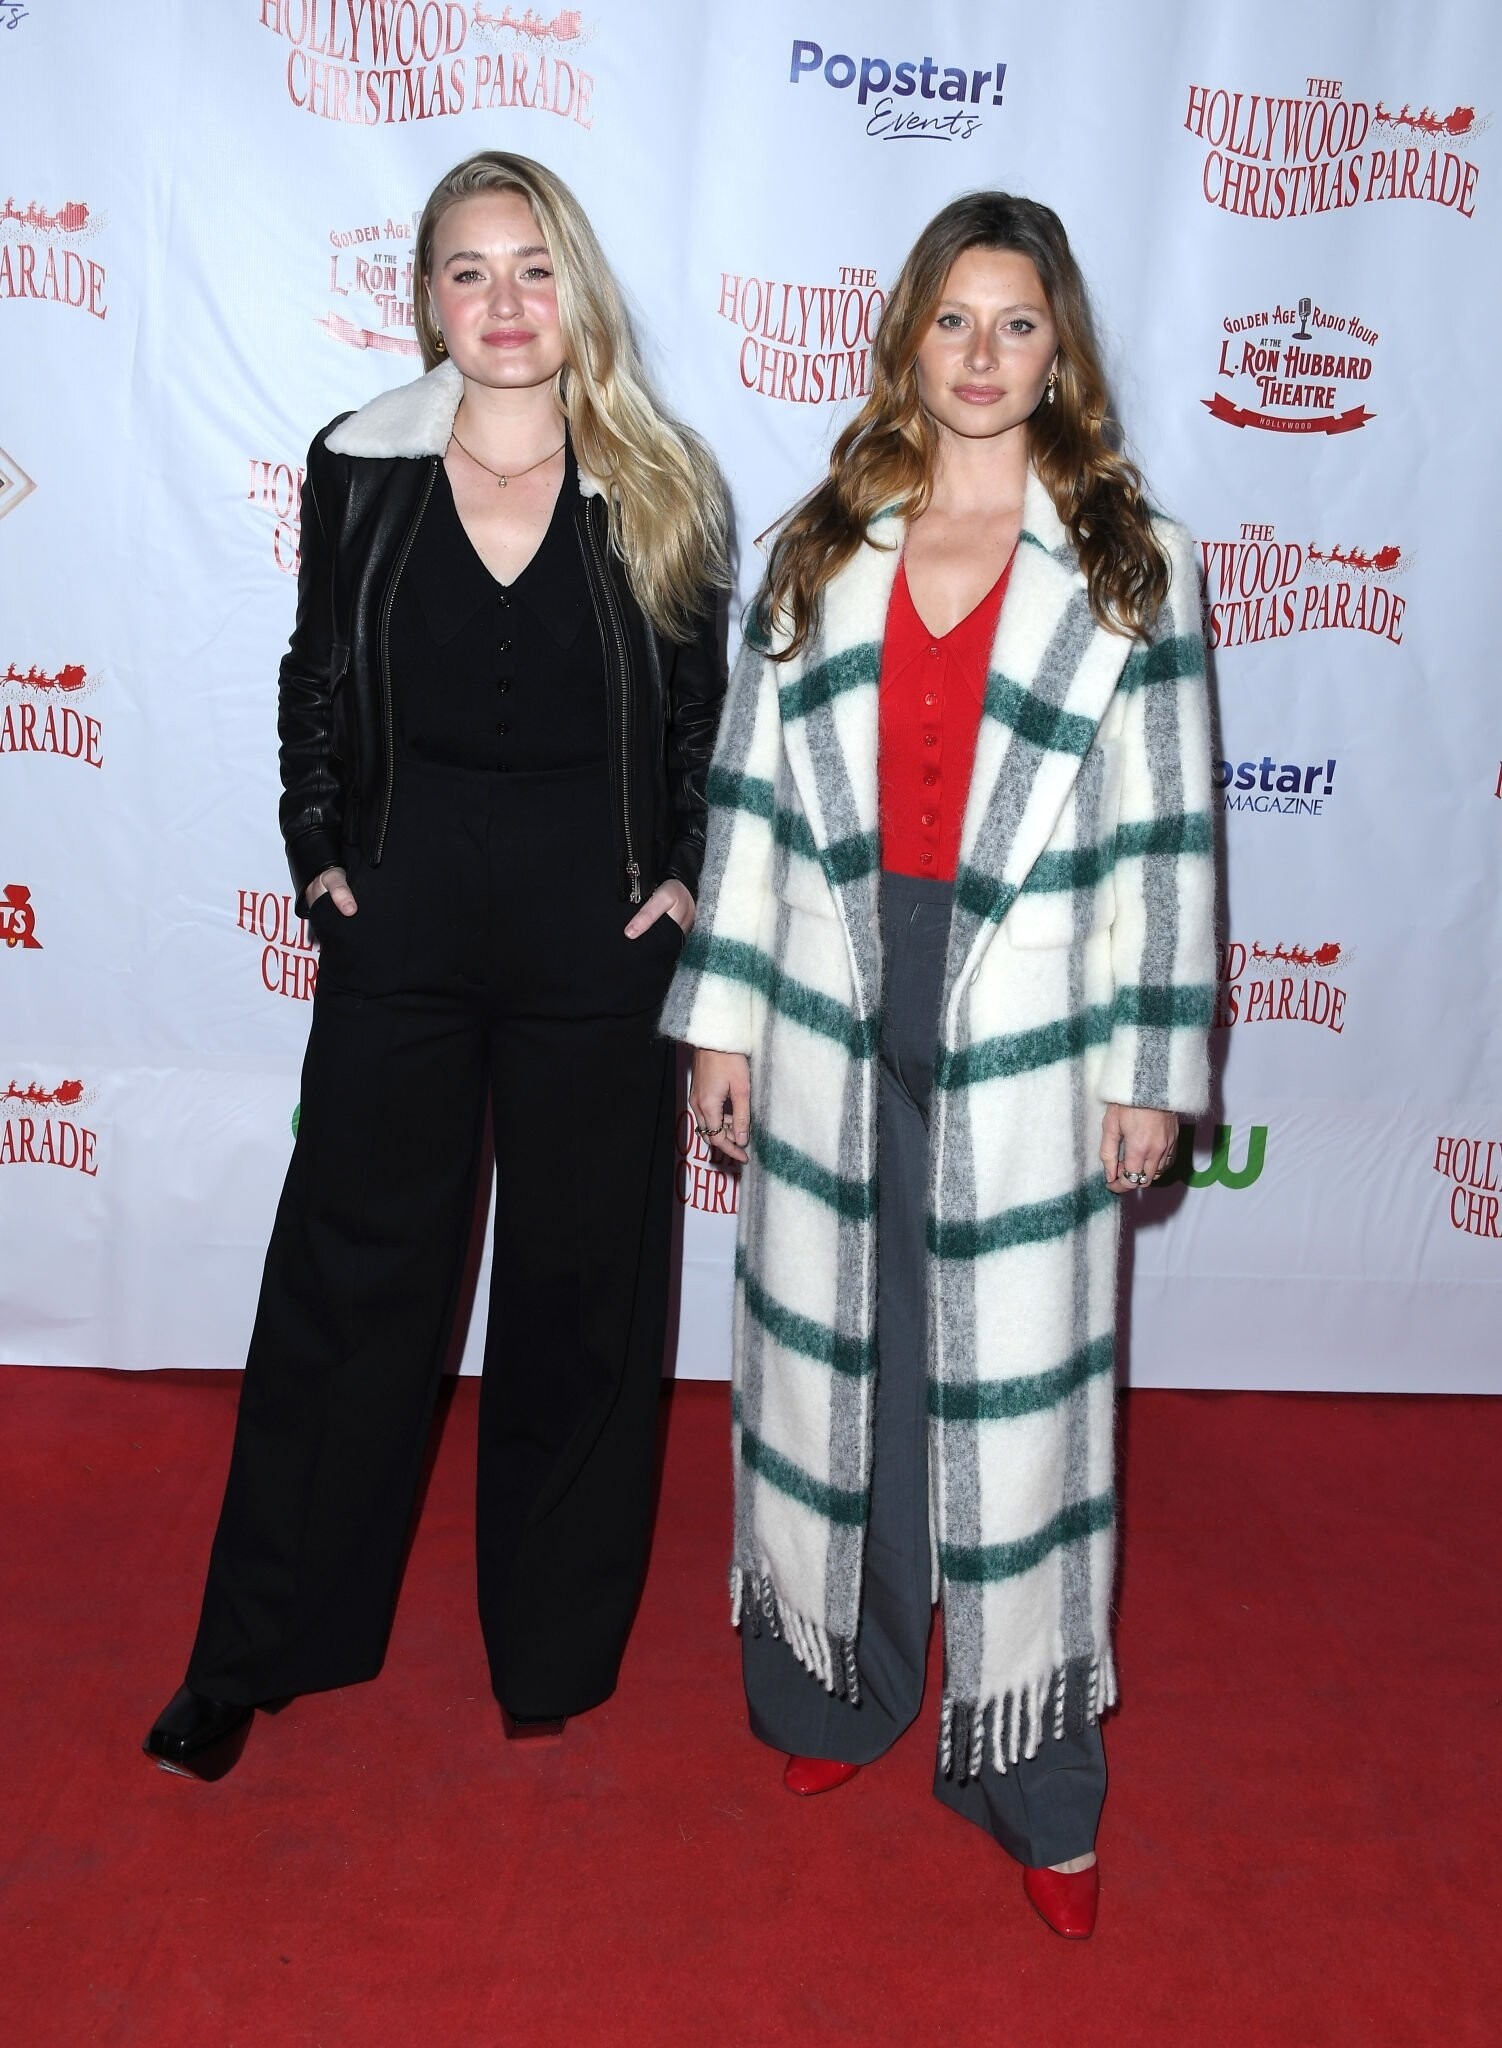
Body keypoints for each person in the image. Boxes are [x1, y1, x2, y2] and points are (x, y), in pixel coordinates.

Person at [662, 192, 1213, 1939]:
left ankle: (1034, 1777)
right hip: (829, 996)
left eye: (1017, 323)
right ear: (907, 333)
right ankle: (833, 1689)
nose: (982, 355)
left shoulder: (1130, 561)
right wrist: (723, 1017)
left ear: (1062, 352)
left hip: (1034, 1029)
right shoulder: (821, 545)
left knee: (1018, 1406)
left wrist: (1150, 1065)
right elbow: (747, 804)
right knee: (838, 1359)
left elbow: (1166, 843)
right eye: (953, 319)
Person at [145, 150, 727, 1780]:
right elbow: (314, 677)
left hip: (594, 939)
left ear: (576, 287)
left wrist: (683, 878)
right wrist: (317, 853)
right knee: (344, 1291)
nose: (503, 302)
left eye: (532, 267)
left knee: (581, 1296)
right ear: (425, 299)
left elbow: (698, 721)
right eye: (468, 271)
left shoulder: (663, 476)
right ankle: (256, 1653)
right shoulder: (360, 466)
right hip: (399, 923)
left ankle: (550, 1650)